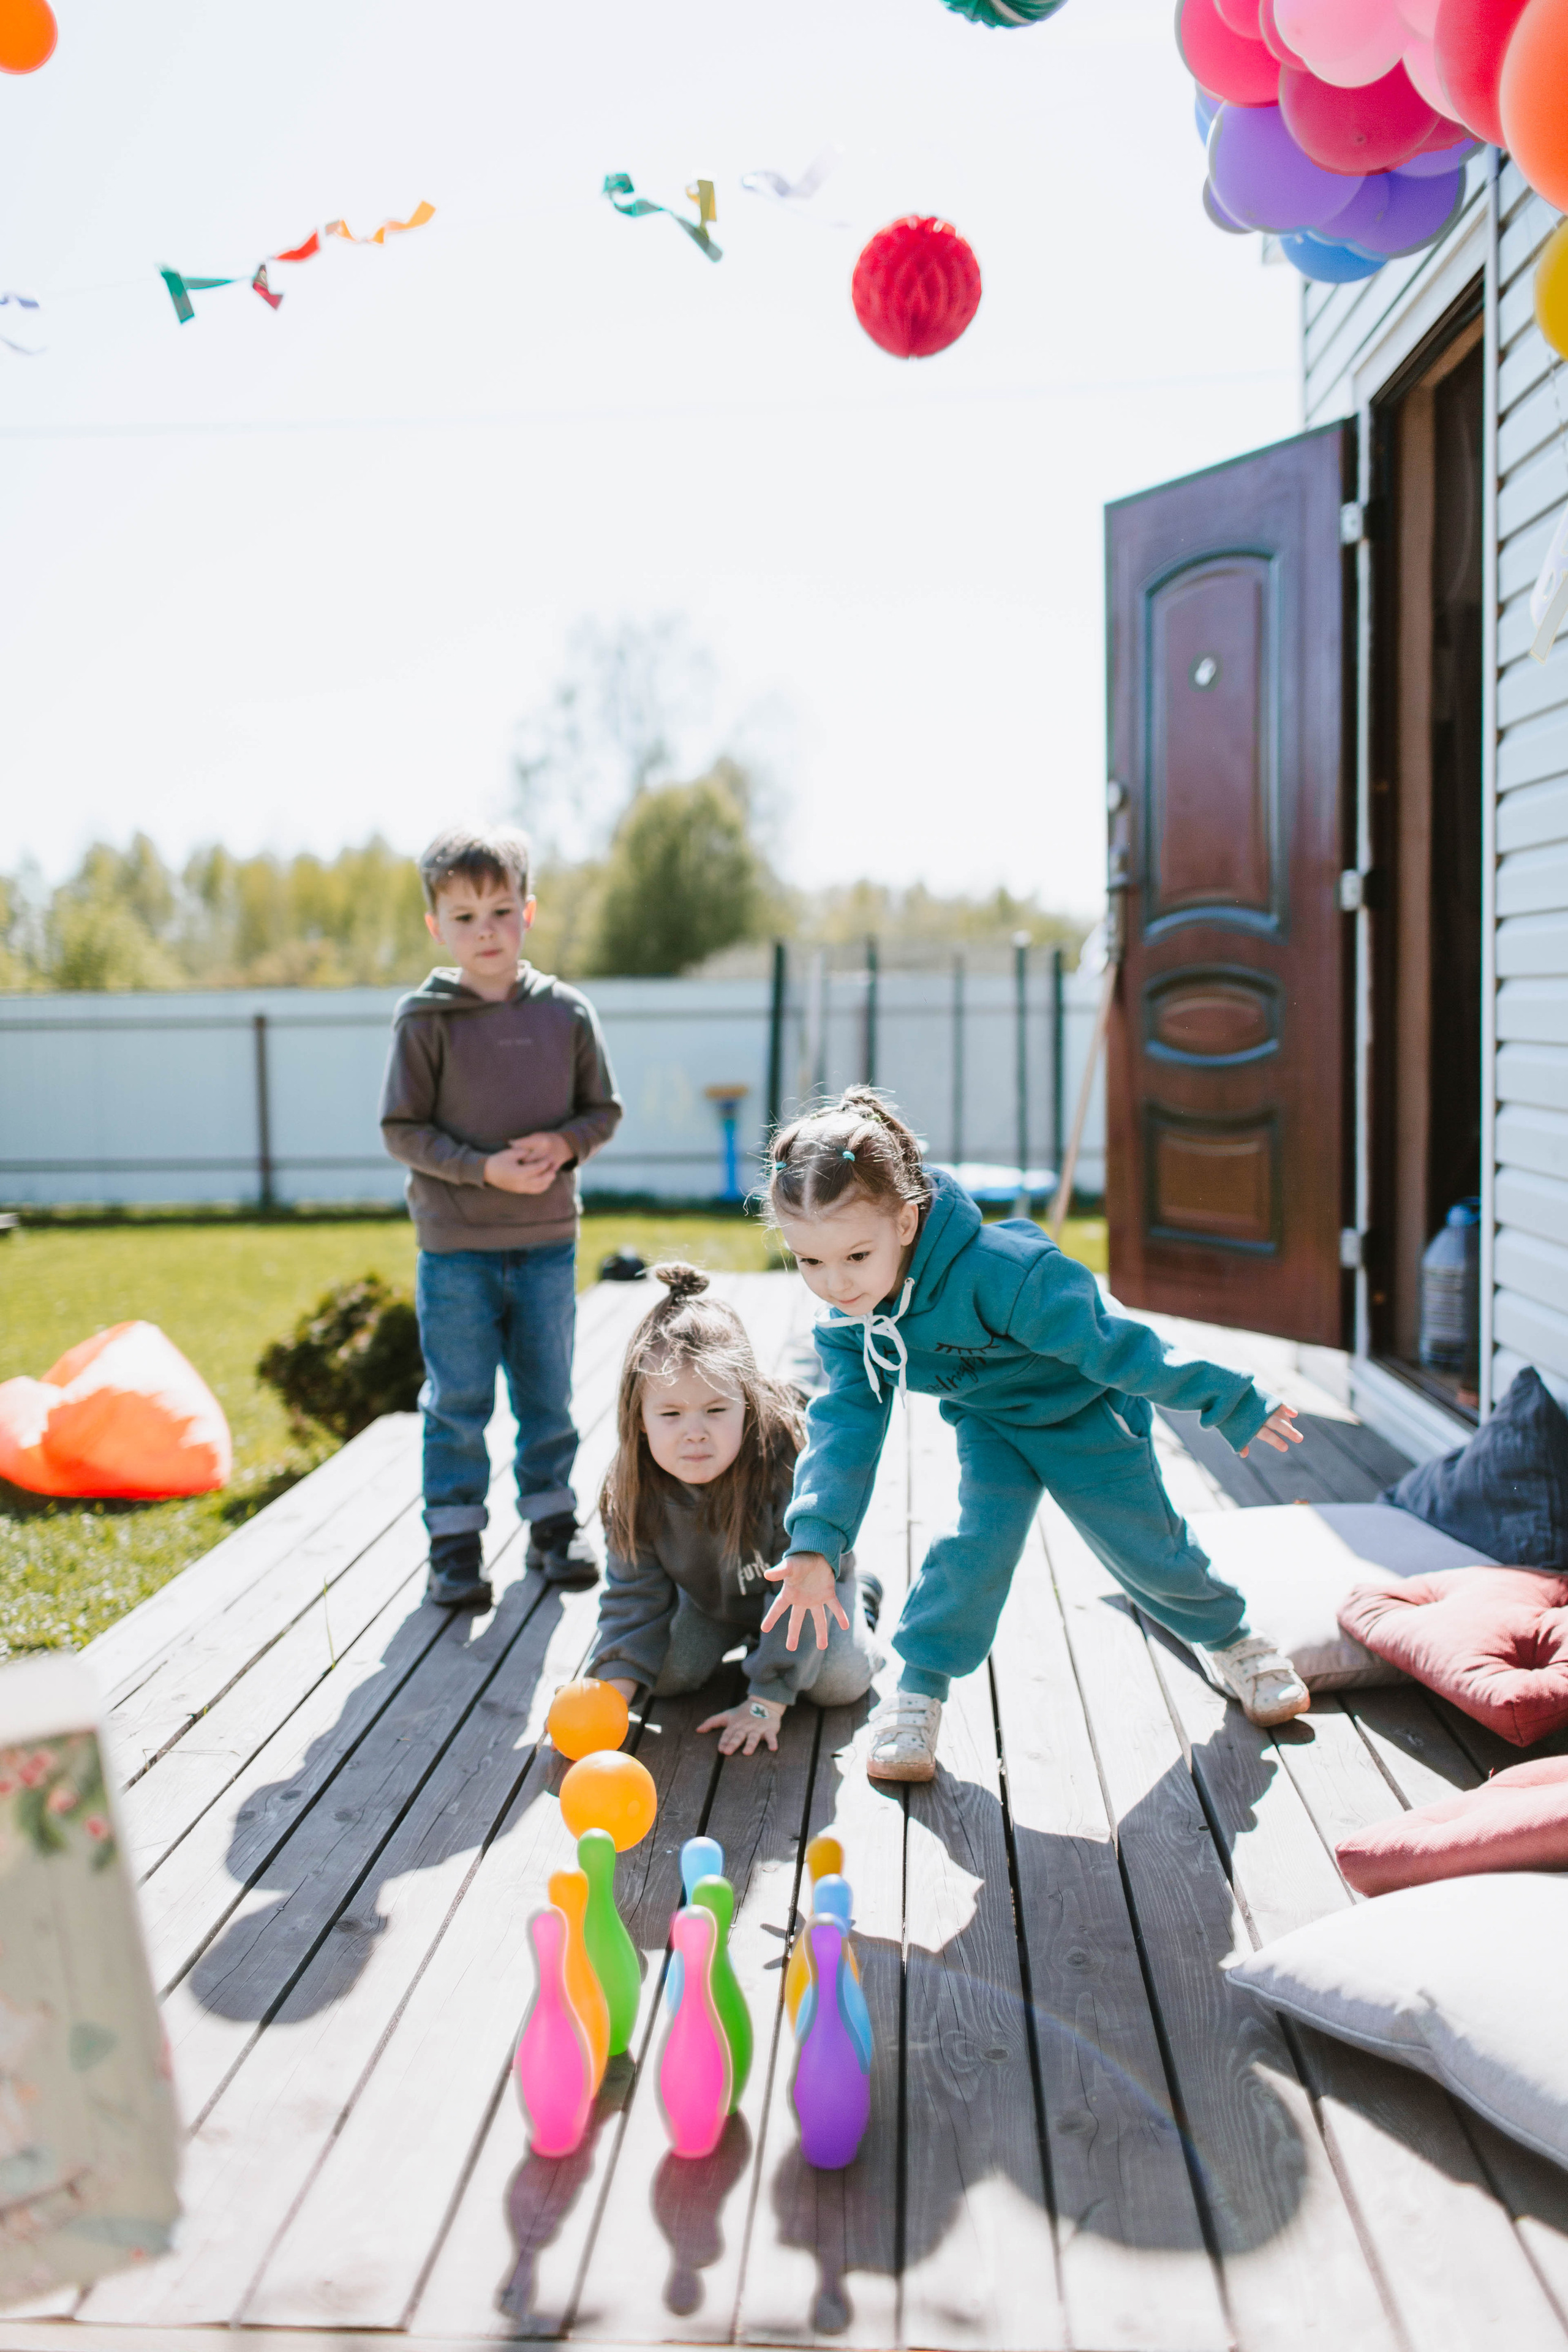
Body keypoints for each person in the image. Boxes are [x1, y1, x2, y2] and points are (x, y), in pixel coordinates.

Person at [760, 1086, 1311, 1783]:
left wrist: (1228, 1399)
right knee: (972, 1548)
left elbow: (1123, 1345)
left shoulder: (1006, 1275)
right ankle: (918, 1692)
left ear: (905, 1222)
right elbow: (843, 1430)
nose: (834, 1284)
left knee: (1148, 1548)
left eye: (854, 1256)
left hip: (1082, 1414)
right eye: (810, 1262)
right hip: (992, 1424)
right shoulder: (849, 1323)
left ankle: (1232, 1640)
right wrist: (815, 1539)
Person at [380, 822, 622, 1611]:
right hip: (455, 1251)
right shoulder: (425, 1021)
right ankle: (454, 1546)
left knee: (547, 1395)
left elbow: (602, 1111)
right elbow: (402, 1131)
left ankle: (553, 1527)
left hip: (549, 1245)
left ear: (529, 911)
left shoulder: (568, 1014)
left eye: (500, 911)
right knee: (457, 1401)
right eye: (464, 916)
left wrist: (563, 1142)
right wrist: (481, 1168)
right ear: (435, 927)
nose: (485, 931)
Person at [585, 1264, 882, 1754]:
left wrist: (766, 1698)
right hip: (715, 1603)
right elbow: (632, 1600)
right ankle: (743, 1642)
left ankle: (862, 1597)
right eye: (671, 1414)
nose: (694, 1431)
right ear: (639, 1419)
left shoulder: (790, 1458)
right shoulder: (631, 1486)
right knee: (658, 1677)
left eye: (716, 1410)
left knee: (838, 1684)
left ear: (748, 1403)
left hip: (806, 1596)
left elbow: (798, 1591)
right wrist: (610, 1699)